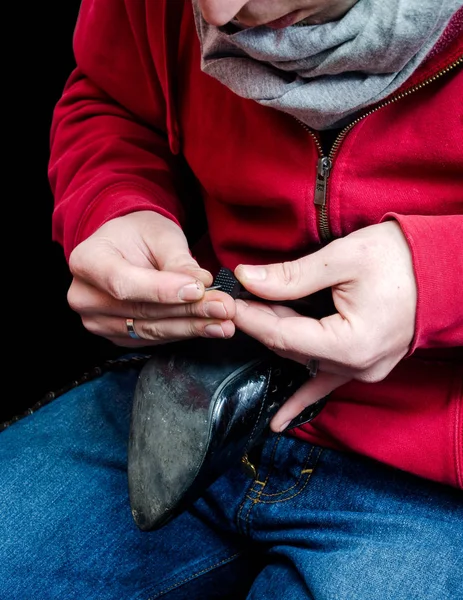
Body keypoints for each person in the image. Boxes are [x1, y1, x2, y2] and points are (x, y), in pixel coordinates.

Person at [1, 0, 462, 598]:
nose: (218, 14)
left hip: (428, 479)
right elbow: (109, 99)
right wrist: (113, 204)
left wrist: (440, 279)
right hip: (183, 403)